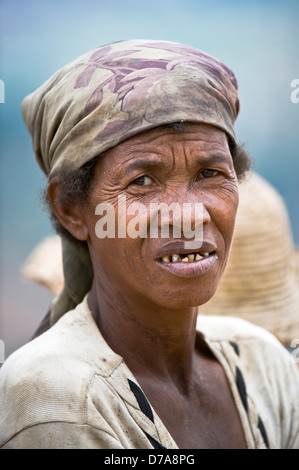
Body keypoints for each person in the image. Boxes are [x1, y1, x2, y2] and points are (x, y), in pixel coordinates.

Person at [0, 40, 298, 449]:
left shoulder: (263, 363)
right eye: (142, 181)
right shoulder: (57, 397)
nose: (190, 214)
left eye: (210, 173)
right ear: (71, 209)